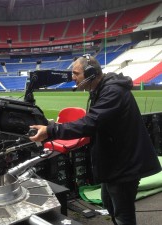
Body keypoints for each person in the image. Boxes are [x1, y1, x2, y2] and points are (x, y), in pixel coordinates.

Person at [29, 54, 161, 225]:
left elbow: (91, 122)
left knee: (123, 213)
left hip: (125, 165)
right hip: (116, 162)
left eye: (76, 73)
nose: (73, 78)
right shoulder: (102, 89)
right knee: (108, 202)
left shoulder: (113, 91)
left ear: (91, 74)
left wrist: (51, 130)